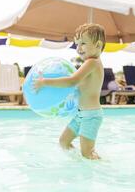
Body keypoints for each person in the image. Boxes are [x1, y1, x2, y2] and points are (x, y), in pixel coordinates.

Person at [33, 23, 105, 160]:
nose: (79, 48)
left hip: (91, 116)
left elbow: (72, 81)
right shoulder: (88, 63)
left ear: (98, 45)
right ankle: (78, 162)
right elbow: (78, 87)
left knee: (87, 153)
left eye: (83, 43)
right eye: (77, 44)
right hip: (80, 115)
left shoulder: (93, 63)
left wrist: (45, 82)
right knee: (64, 142)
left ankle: (104, 167)